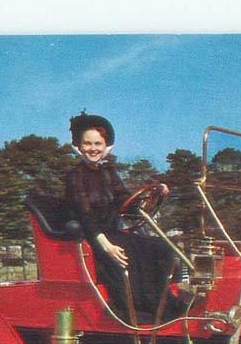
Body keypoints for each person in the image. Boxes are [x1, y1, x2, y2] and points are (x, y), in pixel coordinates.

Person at [64, 111, 181, 321]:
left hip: (114, 232)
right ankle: (134, 310)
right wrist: (106, 246)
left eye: (98, 143)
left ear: (106, 145)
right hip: (94, 237)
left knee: (160, 247)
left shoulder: (108, 172)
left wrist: (155, 192)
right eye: (88, 144)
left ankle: (165, 303)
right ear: (79, 146)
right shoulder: (75, 176)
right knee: (126, 253)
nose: (93, 149)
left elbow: (126, 201)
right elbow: (85, 215)